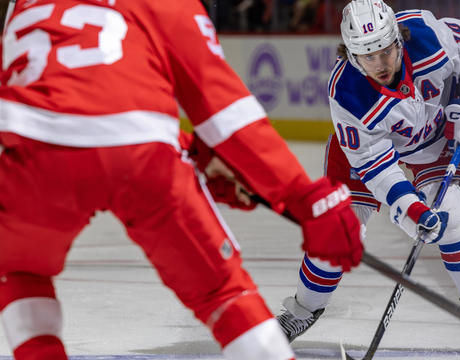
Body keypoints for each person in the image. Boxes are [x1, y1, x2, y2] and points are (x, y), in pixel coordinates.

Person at [0, 1, 363, 360]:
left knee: (18, 270)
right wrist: (303, 195)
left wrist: (193, 153)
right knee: (223, 293)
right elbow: (224, 109)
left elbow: (65, 106)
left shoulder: (25, 5)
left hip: (31, 155)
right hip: (144, 159)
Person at [277, 0, 460, 344]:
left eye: (386, 51)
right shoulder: (347, 93)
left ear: (399, 39)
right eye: (368, 57)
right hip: (367, 156)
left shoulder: (428, 37)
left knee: (453, 217)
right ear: (352, 56)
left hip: (430, 137)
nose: (380, 64)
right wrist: (411, 209)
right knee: (336, 235)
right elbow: (375, 166)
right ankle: (302, 310)